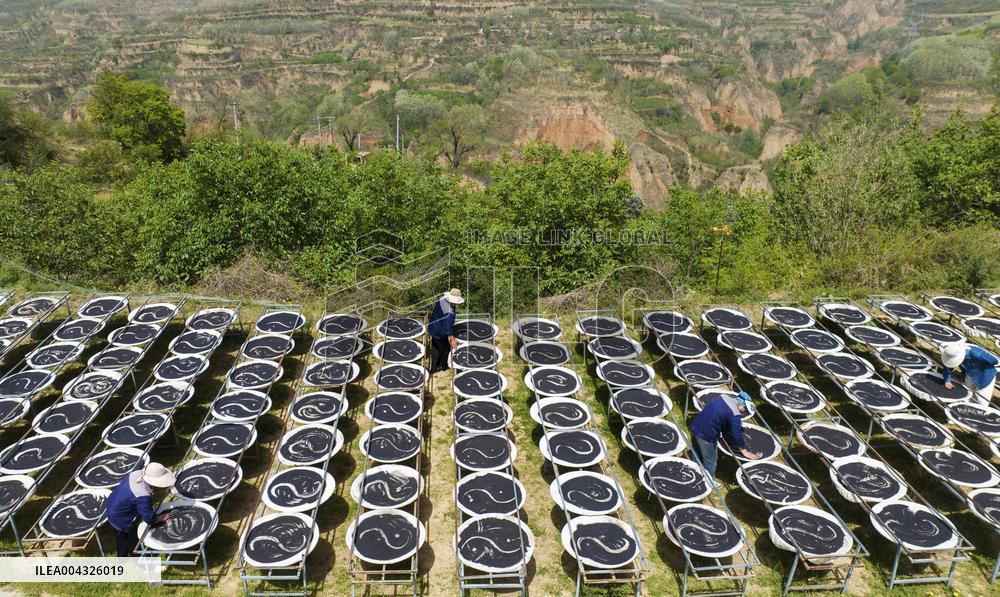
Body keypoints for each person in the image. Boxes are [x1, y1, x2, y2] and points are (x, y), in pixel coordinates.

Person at [106, 462, 175, 556]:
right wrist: (161, 517)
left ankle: (122, 555)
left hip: (113, 505)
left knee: (120, 538)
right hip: (122, 518)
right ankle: (135, 556)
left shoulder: (136, 474)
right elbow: (149, 518)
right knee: (131, 540)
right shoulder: (143, 496)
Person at [689, 390, 760, 478]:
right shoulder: (735, 413)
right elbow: (736, 434)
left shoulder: (723, 397)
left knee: (696, 452)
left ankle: (694, 474)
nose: (743, 413)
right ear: (742, 405)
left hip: (695, 425)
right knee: (710, 461)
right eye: (745, 410)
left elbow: (720, 416)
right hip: (706, 436)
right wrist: (744, 451)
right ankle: (708, 481)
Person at [941, 342, 998, 406]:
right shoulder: (953, 353)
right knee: (966, 395)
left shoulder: (976, 353)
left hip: (985, 378)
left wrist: (982, 365)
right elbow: (948, 366)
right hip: (968, 375)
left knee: (981, 401)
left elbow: (994, 361)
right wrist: (947, 380)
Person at [428, 288, 464, 374]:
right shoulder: (449, 312)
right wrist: (453, 340)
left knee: (435, 348)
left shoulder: (442, 299)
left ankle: (434, 367)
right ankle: (444, 367)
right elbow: (447, 327)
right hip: (440, 332)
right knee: (445, 350)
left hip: (433, 327)